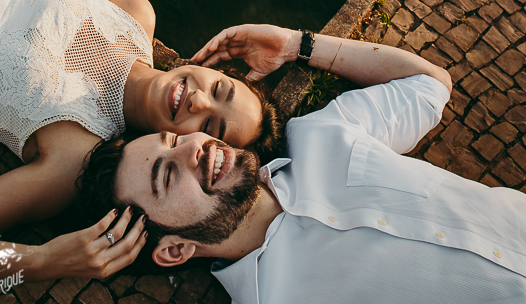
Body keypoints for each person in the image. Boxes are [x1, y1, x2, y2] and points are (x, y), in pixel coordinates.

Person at [76, 24, 526, 304]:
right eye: (168, 175)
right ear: (175, 250)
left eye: (173, 139)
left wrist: (297, 44)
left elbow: (429, 85)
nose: (192, 148)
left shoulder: (321, 133)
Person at [0, 0, 278, 285]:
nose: (198, 101)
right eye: (218, 89)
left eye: (208, 126)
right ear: (213, 69)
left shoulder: (73, 155)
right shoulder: (135, 12)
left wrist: (42, 261)